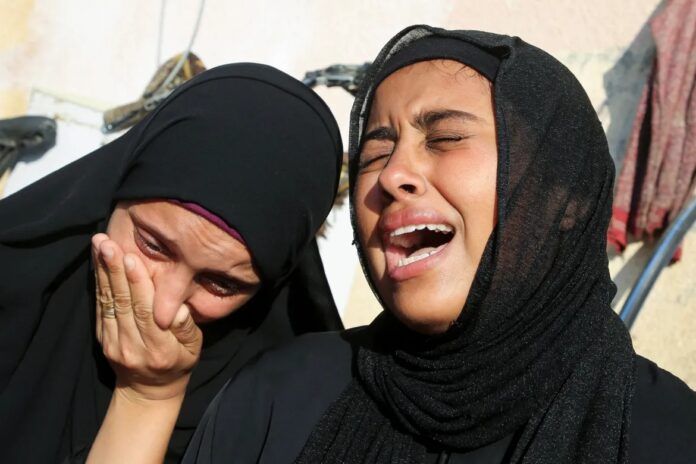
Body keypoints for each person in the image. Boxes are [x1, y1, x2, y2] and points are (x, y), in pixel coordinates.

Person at [87, 26, 696, 463]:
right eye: (376, 150)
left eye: (446, 137)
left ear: (561, 196)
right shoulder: (283, 393)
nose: (391, 175)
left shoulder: (665, 434)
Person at [0, 62, 344, 463]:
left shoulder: (286, 419)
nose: (163, 308)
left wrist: (148, 395)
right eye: (153, 246)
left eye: (221, 283)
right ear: (114, 193)